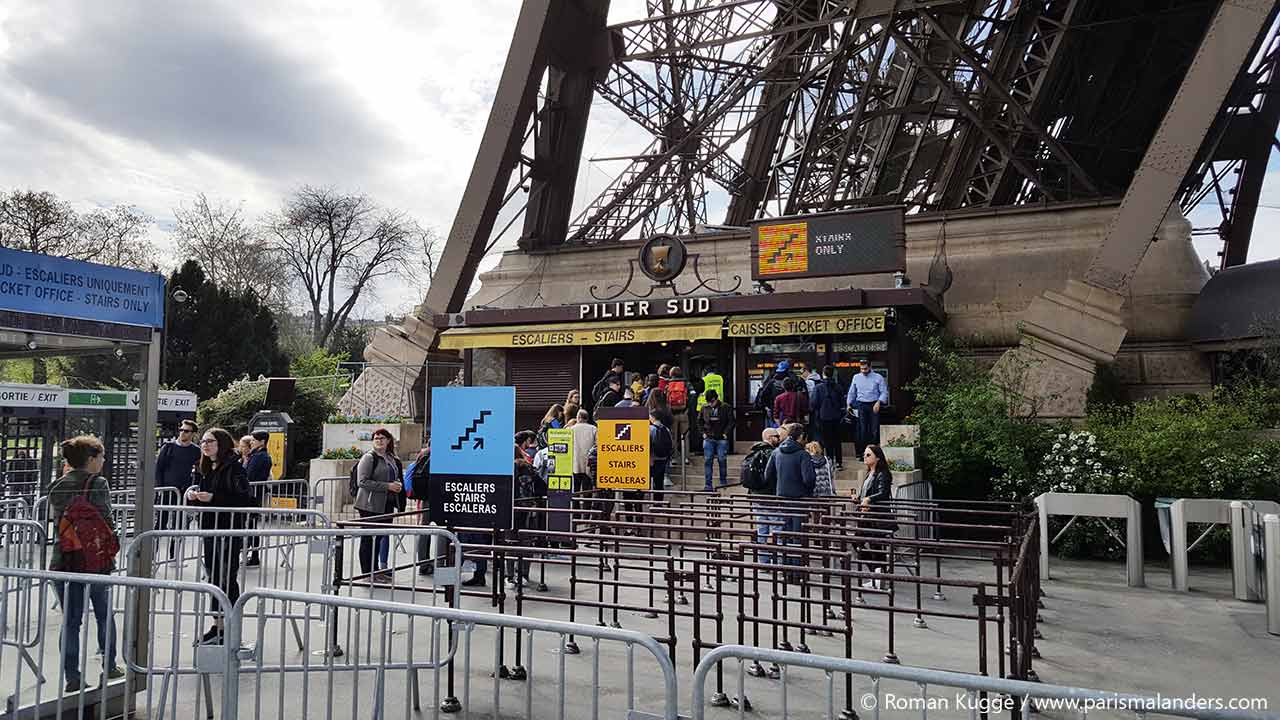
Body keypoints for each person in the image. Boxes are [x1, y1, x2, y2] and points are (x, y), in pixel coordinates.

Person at [48, 435, 122, 692]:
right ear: (91, 459)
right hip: (95, 562)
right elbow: (106, 520)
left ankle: (72, 676)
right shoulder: (98, 483)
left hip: (63, 560)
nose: (103, 461)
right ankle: (110, 665)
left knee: (70, 620)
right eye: (100, 457)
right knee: (104, 615)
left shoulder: (57, 485)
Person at [187, 427, 256, 643]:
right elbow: (203, 492)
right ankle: (217, 625)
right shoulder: (206, 468)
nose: (205, 445)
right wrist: (193, 494)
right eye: (203, 442)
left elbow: (244, 499)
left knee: (226, 576)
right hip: (210, 528)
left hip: (228, 529)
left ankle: (229, 626)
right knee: (214, 576)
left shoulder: (235, 469)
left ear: (222, 444)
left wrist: (214, 498)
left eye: (210, 441)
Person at [353, 428, 404, 585]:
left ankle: (376, 571)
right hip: (369, 504)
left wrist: (397, 486)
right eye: (376, 438)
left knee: (380, 537)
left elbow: (395, 476)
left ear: (388, 440)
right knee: (368, 538)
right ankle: (367, 573)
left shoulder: (391, 458)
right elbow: (362, 482)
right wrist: (387, 486)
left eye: (382, 438)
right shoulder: (369, 458)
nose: (379, 440)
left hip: (387, 504)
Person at [764, 423, 815, 567]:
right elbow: (809, 479)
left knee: (785, 534)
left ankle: (786, 569)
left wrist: (780, 484)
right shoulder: (803, 454)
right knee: (798, 535)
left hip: (782, 498)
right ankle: (797, 570)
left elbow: (767, 475)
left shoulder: (776, 452)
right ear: (800, 437)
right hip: (800, 499)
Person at [854, 444, 896, 587]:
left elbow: (882, 493)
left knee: (876, 546)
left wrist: (869, 499)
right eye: (864, 455)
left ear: (877, 458)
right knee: (858, 542)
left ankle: (878, 577)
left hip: (877, 517)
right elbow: (866, 493)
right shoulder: (869, 473)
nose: (864, 457)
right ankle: (877, 573)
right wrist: (858, 498)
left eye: (868, 455)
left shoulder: (882, 473)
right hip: (866, 516)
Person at [740, 428, 782, 562]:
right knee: (777, 529)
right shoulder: (773, 453)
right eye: (777, 436)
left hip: (756, 495)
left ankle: (763, 561)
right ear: (770, 437)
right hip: (770, 495)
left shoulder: (754, 451)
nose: (779, 439)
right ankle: (779, 561)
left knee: (762, 529)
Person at [509, 444, 547, 586]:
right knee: (526, 542)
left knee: (510, 544)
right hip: (529, 510)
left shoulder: (506, 468)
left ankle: (510, 576)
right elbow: (542, 487)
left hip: (511, 510)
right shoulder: (529, 468)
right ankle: (523, 574)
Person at [155, 419, 201, 536]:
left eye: (186, 431)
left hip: (184, 491)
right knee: (160, 523)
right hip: (167, 490)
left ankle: (173, 553)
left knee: (180, 525)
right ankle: (153, 551)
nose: (182, 433)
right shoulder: (168, 447)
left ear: (193, 434)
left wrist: (195, 487)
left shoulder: (196, 451)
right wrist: (160, 488)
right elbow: (158, 468)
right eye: (181, 430)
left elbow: (200, 471)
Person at [242, 431, 273, 567]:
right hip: (253, 494)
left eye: (254, 440)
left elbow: (250, 475)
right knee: (250, 526)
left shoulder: (261, 457)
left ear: (262, 442)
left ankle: (254, 556)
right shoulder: (256, 455)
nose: (251, 442)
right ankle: (252, 554)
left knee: (251, 526)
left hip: (253, 495)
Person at [846, 360, 888, 455]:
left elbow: (884, 392)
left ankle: (874, 453)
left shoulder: (878, 377)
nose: (863, 371)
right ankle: (862, 453)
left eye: (865, 369)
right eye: (861, 369)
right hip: (861, 404)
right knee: (862, 429)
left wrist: (879, 402)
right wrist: (848, 404)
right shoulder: (856, 377)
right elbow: (852, 392)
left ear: (870, 367)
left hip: (874, 403)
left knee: (874, 429)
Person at [697, 389, 734, 491]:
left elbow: (731, 422)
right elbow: (699, 421)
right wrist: (703, 433)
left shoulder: (726, 407)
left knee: (722, 459)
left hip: (721, 437)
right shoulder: (704, 408)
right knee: (708, 460)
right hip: (709, 437)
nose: (710, 404)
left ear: (716, 399)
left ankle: (723, 481)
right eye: (709, 402)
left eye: (712, 402)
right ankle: (708, 484)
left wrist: (726, 433)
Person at [812, 365, 846, 470]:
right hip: (836, 417)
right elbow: (842, 403)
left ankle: (830, 461)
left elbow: (813, 403)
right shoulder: (838, 387)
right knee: (837, 440)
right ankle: (839, 462)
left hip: (823, 417)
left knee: (826, 441)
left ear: (823, 374)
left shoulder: (818, 387)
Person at [666, 367, 691, 464]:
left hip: (672, 414)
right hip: (684, 413)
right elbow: (692, 396)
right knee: (685, 436)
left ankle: (674, 458)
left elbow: (665, 399)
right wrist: (688, 410)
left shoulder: (668, 385)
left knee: (673, 437)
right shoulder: (686, 384)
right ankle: (686, 458)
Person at [755, 361, 790, 428]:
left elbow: (763, 395)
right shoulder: (791, 381)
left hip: (773, 410)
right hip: (780, 411)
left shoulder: (771, 381)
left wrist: (766, 407)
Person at [569, 410, 597, 494]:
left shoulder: (571, 429)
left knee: (575, 490)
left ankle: (575, 506)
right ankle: (586, 506)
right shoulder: (593, 429)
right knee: (587, 490)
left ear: (578, 418)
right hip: (588, 464)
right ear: (587, 418)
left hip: (575, 463)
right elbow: (597, 444)